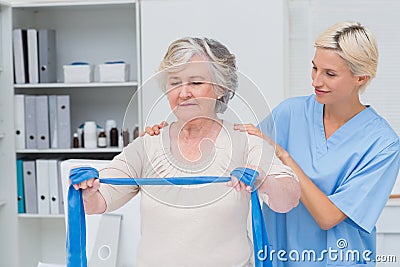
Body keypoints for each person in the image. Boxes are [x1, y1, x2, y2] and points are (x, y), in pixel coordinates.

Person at [144, 22, 400, 266]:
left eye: (330, 74)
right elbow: (232, 148)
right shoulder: (290, 112)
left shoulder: (383, 144)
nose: (316, 81)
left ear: (361, 78)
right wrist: (175, 132)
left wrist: (284, 156)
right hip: (278, 256)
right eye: (314, 68)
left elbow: (329, 217)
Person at [73, 37, 300, 267]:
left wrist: (261, 178)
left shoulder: (245, 141)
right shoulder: (148, 144)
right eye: (174, 83)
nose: (183, 93)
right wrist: (89, 190)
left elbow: (287, 199)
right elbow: (96, 203)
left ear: (221, 88)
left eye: (196, 82)